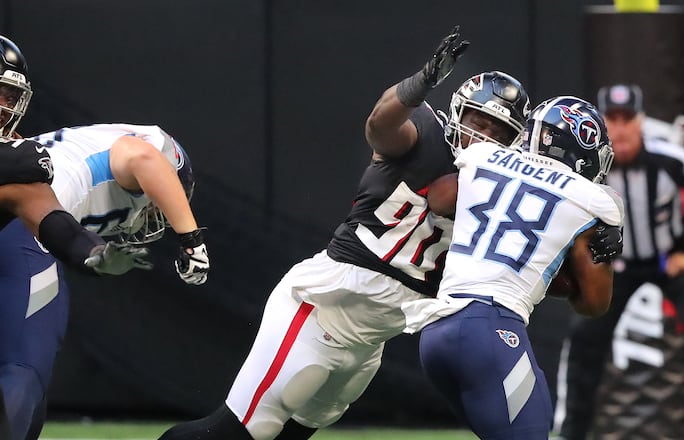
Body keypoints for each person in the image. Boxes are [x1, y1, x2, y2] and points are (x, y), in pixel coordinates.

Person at [157, 26, 535, 440]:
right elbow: (380, 124)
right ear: (458, 112)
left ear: (516, 143)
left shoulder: (502, 196)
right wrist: (421, 82)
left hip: (371, 340)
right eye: (477, 121)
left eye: (498, 132)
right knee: (238, 433)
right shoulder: (425, 133)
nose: (483, 136)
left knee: (290, 437)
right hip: (321, 305)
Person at [398, 96, 624, 439]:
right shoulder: (592, 200)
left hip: (436, 333)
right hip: (490, 329)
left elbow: (440, 198)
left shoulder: (484, 156)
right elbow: (595, 304)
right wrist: (602, 250)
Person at [0, 122, 209, 440]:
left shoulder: (50, 159)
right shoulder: (130, 151)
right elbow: (142, 156)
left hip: (29, 225)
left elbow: (63, 231)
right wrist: (191, 239)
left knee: (28, 394)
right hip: (23, 235)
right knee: (24, 369)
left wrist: (94, 255)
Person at [553, 84, 684, 440]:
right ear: (602, 124)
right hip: (618, 265)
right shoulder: (589, 164)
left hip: (669, 260)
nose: (621, 128)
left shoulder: (672, 160)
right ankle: (570, 431)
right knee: (584, 338)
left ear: (641, 122)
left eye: (627, 119)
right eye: (613, 120)